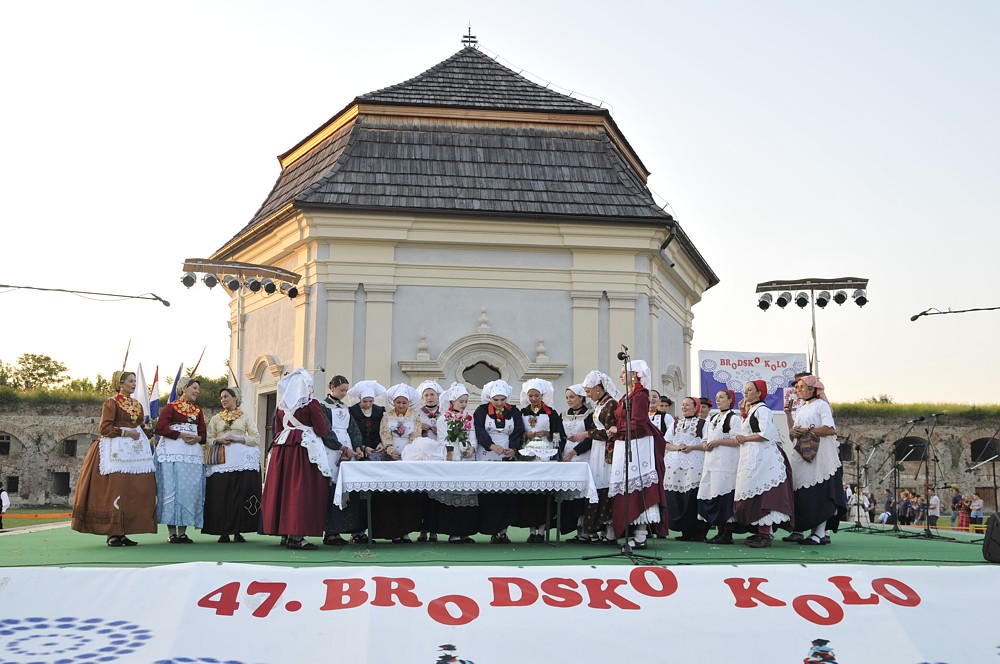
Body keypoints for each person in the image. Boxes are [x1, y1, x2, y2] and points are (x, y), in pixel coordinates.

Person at [70, 371, 157, 546]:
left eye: (135, 381)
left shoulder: (137, 404)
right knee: (115, 489)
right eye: (130, 381)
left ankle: (123, 531)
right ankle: (112, 533)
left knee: (129, 490)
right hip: (114, 450)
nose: (134, 384)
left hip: (134, 453)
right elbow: (105, 428)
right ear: (120, 383)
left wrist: (150, 430)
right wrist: (126, 433)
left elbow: (139, 426)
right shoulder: (111, 402)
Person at [261, 368, 334, 550]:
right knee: (301, 490)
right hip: (303, 449)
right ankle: (296, 535)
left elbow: (278, 429)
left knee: (283, 489)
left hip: (282, 449)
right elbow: (321, 429)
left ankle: (285, 533)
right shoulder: (311, 404)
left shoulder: (281, 406)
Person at [607, 360, 668, 549]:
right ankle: (632, 532)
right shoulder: (629, 395)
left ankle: (641, 535)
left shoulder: (641, 395)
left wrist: (617, 429)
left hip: (638, 443)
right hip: (625, 442)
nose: (620, 376)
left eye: (623, 372)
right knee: (627, 485)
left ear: (634, 374)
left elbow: (639, 422)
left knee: (640, 485)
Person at [782, 376, 848, 546]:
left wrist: (807, 430)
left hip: (820, 456)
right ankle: (800, 530)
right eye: (797, 387)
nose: (797, 390)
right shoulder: (801, 408)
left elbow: (830, 429)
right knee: (804, 494)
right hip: (803, 454)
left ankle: (818, 534)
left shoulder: (821, 405)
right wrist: (789, 417)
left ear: (812, 389)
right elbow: (793, 433)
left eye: (801, 387)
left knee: (819, 494)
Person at [733, 380, 794, 548]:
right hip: (754, 457)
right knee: (755, 493)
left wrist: (745, 438)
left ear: (759, 393)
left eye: (750, 390)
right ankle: (761, 532)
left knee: (765, 496)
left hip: (765, 458)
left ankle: (765, 534)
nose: (745, 392)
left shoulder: (763, 410)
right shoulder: (752, 410)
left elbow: (765, 433)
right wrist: (743, 414)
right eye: (745, 390)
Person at [203, 387, 262, 543]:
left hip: (241, 460)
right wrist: (218, 440)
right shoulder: (216, 419)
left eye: (226, 396)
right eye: (221, 397)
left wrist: (238, 439)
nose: (223, 400)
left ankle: (238, 530)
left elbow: (256, 438)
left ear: (235, 398)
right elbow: (208, 439)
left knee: (240, 494)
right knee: (222, 494)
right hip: (221, 461)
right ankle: (223, 531)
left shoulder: (245, 417)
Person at [154, 376, 207, 543]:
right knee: (171, 489)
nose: (197, 391)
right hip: (171, 454)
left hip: (192, 455)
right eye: (195, 388)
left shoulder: (197, 411)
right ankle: (171, 533)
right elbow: (160, 428)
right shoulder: (171, 407)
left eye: (198, 389)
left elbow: (203, 434)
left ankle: (183, 531)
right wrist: (179, 434)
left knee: (188, 490)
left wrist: (198, 438)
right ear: (184, 388)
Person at [473, 379, 524, 543]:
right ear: (489, 398)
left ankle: (503, 530)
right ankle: (491, 528)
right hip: (486, 454)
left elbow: (518, 431)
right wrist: (490, 445)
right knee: (489, 494)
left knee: (505, 493)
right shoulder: (481, 411)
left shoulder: (514, 412)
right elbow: (479, 430)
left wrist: (513, 449)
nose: (499, 403)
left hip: (506, 455)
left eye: (502, 399)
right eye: (496, 400)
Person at [373, 383, 423, 543]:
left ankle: (406, 530)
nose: (401, 405)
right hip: (390, 458)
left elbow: (416, 435)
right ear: (393, 402)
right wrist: (390, 449)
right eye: (398, 402)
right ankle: (393, 531)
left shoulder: (415, 417)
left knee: (407, 496)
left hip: (409, 458)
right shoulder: (387, 416)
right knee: (391, 496)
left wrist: (410, 452)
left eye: (404, 402)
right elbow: (384, 433)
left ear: (409, 403)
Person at [319, 375, 366, 546]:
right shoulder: (323, 406)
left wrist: (358, 446)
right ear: (332, 387)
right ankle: (331, 532)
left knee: (347, 486)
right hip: (332, 450)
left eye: (346, 391)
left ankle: (347, 528)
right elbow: (325, 430)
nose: (344, 393)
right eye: (341, 390)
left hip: (348, 447)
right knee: (333, 488)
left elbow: (353, 429)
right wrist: (340, 447)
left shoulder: (344, 407)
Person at [515, 378, 563, 543]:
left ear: (542, 396)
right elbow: (516, 432)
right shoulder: (522, 412)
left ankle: (541, 530)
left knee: (544, 492)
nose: (534, 399)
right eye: (531, 396)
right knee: (529, 493)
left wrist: (548, 434)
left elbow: (559, 434)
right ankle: (531, 530)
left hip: (545, 454)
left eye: (536, 396)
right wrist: (525, 435)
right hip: (527, 453)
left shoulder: (551, 413)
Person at [432, 382, 479, 543]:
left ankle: (466, 531)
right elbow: (442, 439)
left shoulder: (468, 417)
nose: (464, 404)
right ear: (452, 401)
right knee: (453, 495)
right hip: (451, 459)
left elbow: (472, 435)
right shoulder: (444, 418)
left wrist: (471, 448)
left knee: (467, 495)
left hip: (467, 460)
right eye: (461, 401)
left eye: (466, 401)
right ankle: (453, 532)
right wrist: (454, 451)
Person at [698, 390, 742, 544]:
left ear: (730, 400)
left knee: (724, 497)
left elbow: (737, 440)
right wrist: (705, 444)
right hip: (711, 463)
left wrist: (718, 442)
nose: (718, 400)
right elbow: (705, 438)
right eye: (716, 398)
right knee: (713, 495)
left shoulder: (734, 418)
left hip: (726, 463)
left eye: (721, 397)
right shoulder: (713, 418)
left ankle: (727, 534)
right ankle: (719, 531)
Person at [580, 371, 620, 543]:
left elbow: (610, 432)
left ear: (598, 388)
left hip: (606, 450)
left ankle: (610, 531)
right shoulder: (600, 404)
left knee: (606, 485)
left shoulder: (611, 404)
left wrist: (587, 434)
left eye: (589, 391)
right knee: (598, 485)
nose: (588, 395)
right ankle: (600, 529)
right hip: (597, 450)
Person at [666, 396, 708, 541]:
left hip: (694, 466)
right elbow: (666, 442)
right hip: (675, 467)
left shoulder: (703, 423)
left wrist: (691, 447)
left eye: (687, 405)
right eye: (683, 404)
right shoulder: (675, 423)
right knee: (677, 498)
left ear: (695, 408)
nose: (684, 407)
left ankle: (698, 531)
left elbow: (707, 443)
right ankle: (684, 531)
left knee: (692, 497)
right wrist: (678, 447)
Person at [559, 384, 594, 540]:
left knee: (582, 494)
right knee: (569, 494)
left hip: (583, 456)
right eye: (567, 397)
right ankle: (574, 529)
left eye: (572, 397)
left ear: (581, 397)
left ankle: (585, 531)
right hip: (567, 456)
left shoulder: (589, 414)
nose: (569, 400)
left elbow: (591, 438)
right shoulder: (563, 415)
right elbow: (560, 436)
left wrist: (575, 451)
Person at [416, 380, 445, 542]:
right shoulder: (417, 413)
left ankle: (434, 529)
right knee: (423, 494)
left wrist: (439, 430)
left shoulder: (444, 413)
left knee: (436, 493)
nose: (429, 398)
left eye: (432, 394)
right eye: (426, 395)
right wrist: (420, 428)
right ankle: (422, 529)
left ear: (438, 396)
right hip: (422, 455)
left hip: (439, 455)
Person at [347, 380, 387, 460]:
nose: (368, 404)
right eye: (365, 401)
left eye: (371, 401)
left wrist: (380, 442)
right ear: (360, 399)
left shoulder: (379, 411)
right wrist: (362, 447)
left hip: (375, 446)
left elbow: (381, 429)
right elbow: (352, 431)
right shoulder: (353, 411)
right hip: (358, 448)